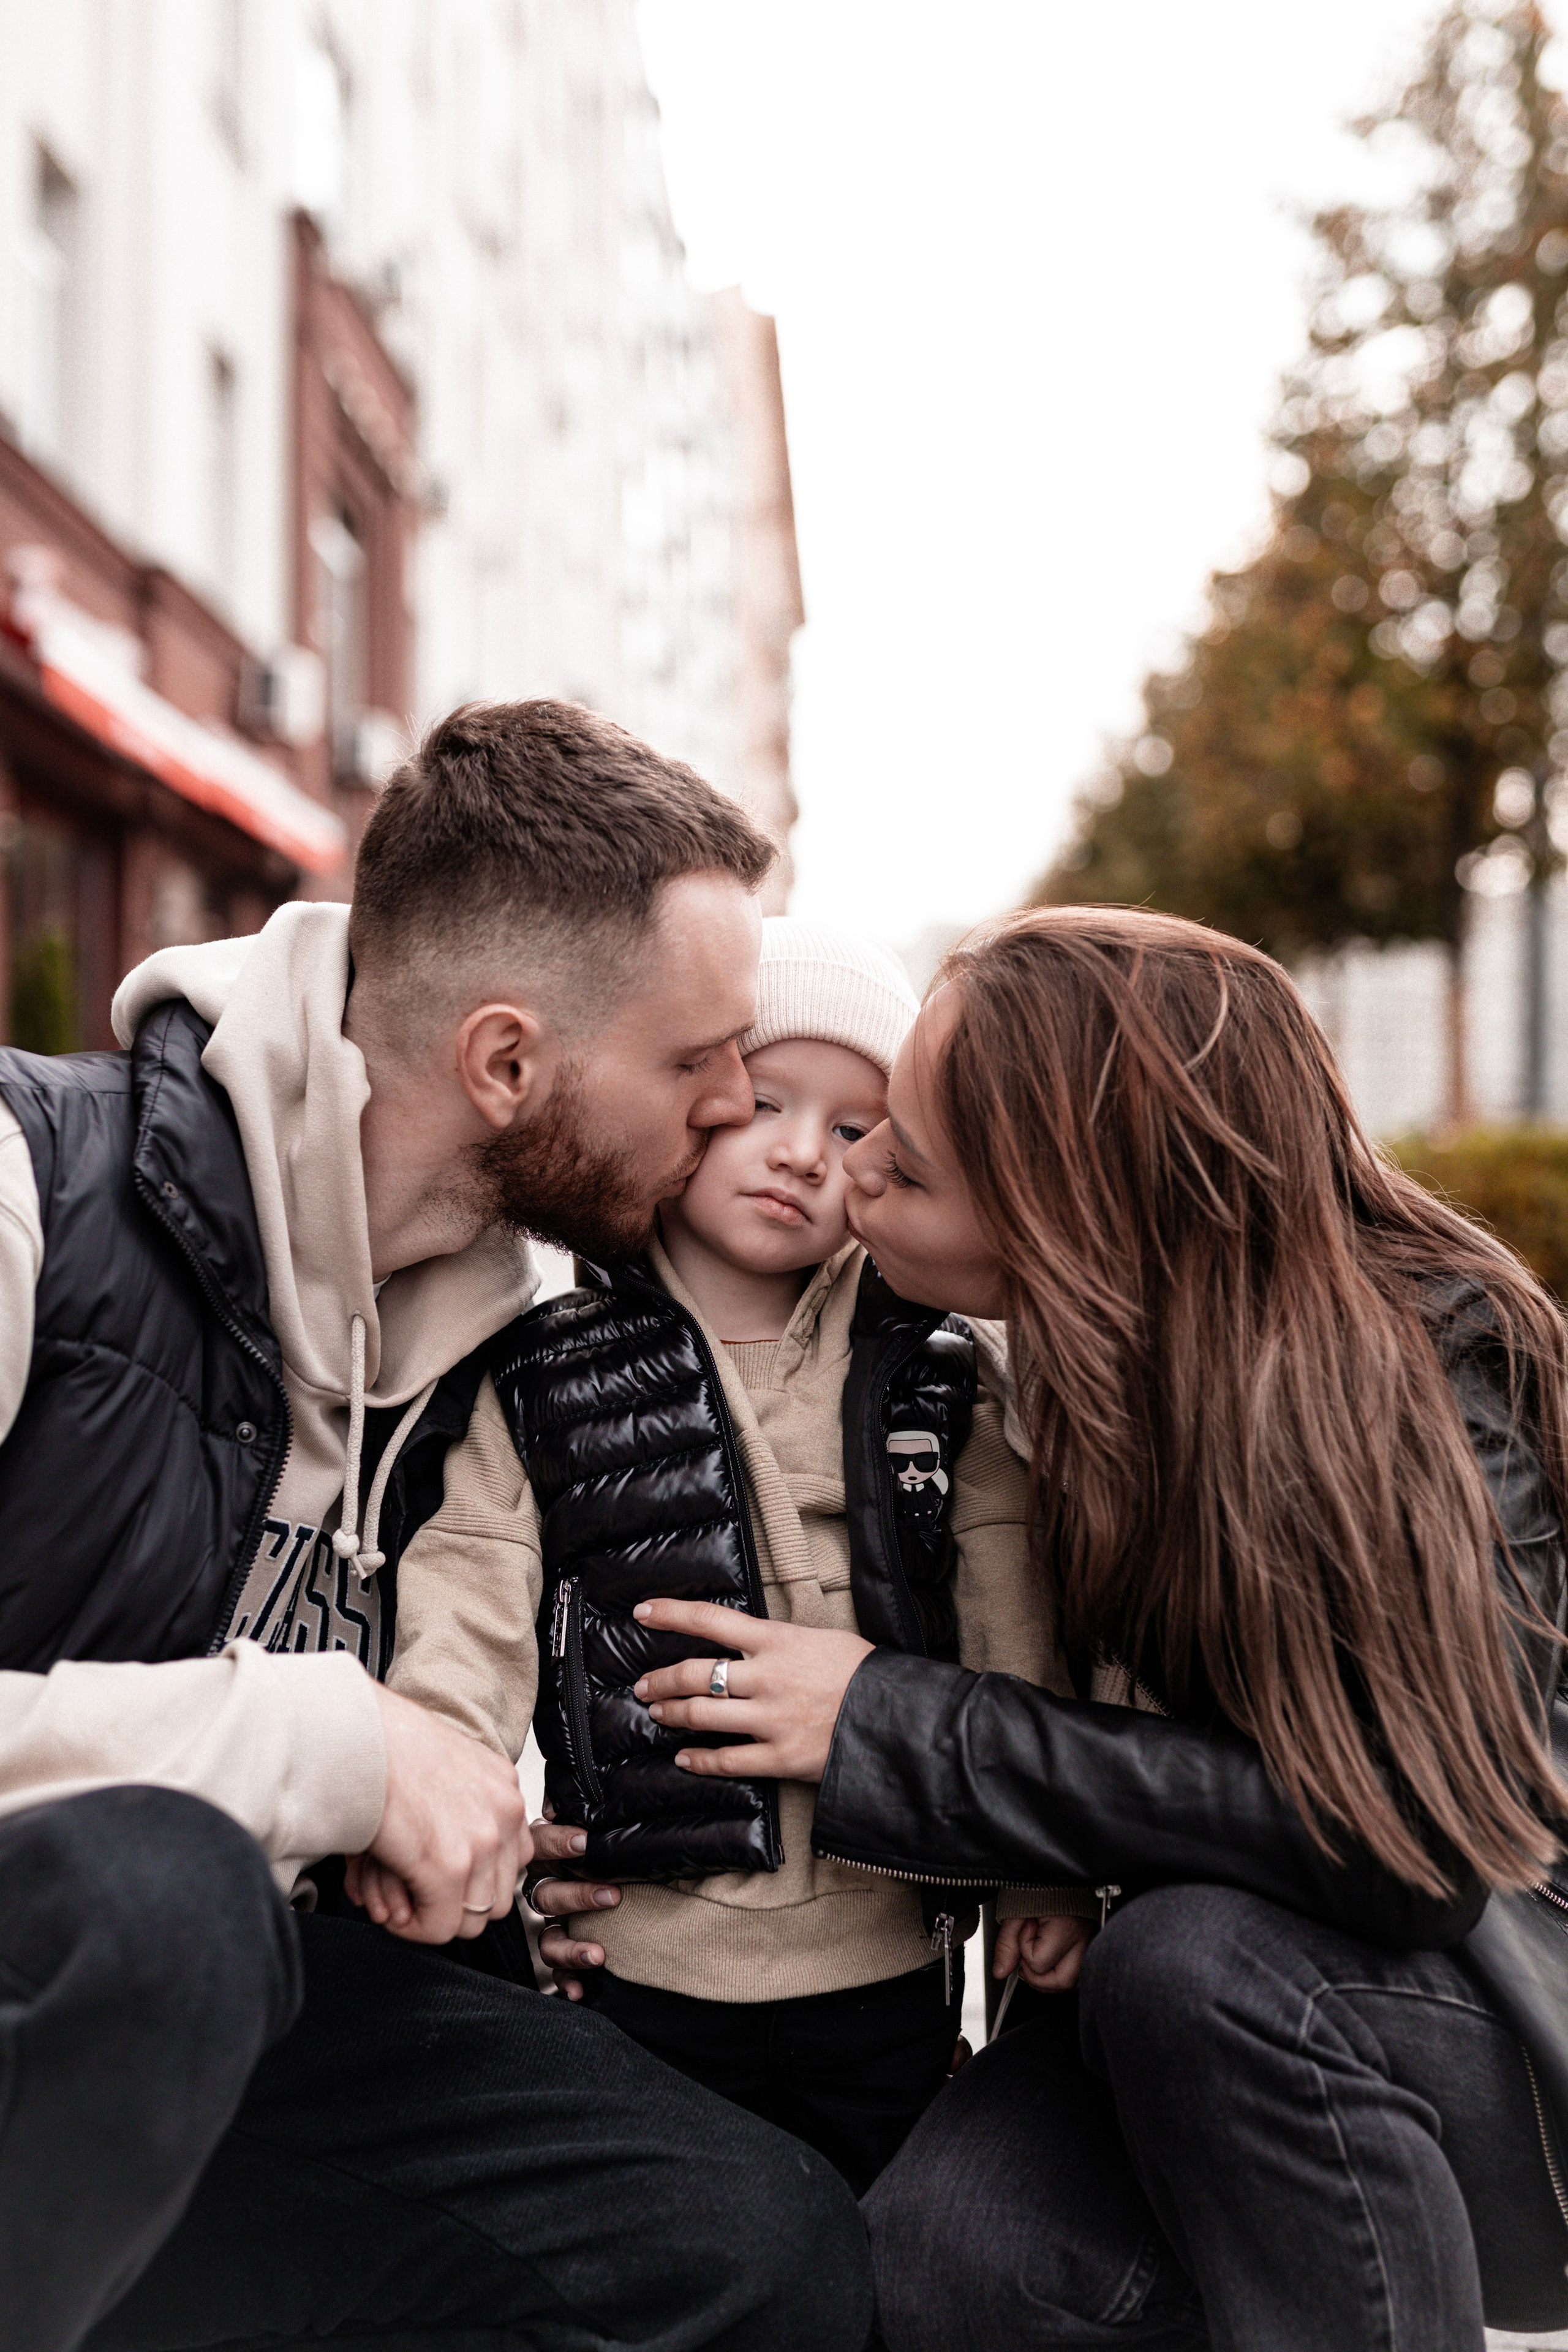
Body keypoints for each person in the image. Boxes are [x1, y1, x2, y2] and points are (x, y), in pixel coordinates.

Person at [0, 700, 872, 2352]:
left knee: (751, 2239)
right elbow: (296, 1772)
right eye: (695, 1061)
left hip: (250, 2021)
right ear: (506, 1061)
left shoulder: (511, 1344)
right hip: (81, 1982)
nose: (733, 1103)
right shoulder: (30, 1189)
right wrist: (333, 1748)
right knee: (162, 1895)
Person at [621, 905, 1568, 2350]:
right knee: (944, 2257)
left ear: (1061, 1221)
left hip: (1484, 2041)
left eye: (902, 1156)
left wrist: (887, 1723)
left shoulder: (1431, 1378)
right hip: (1196, 1987)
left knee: (1196, 1966)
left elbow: (1410, 1842)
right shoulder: (1057, 1358)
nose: (848, 1163)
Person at [372, 918, 1096, 2193]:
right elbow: (471, 1594)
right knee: (690, 2259)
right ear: (694, 1101)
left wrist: (1039, 1872)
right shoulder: (543, 1369)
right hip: (643, 1964)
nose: (800, 1154)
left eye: (854, 1127)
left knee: (875, 2260)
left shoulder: (933, 1376)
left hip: (882, 1970)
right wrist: (444, 1799)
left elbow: (1005, 1618)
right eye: (763, 1102)